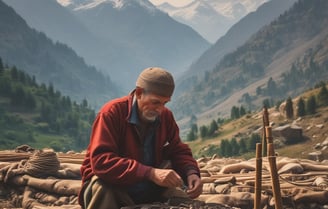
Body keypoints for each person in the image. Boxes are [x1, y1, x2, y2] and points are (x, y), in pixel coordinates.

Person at [79, 67, 203, 209]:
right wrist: (150, 173)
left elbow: (178, 150)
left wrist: (191, 173)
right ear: (139, 93)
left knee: (184, 198)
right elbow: (101, 161)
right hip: (114, 189)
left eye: (165, 103)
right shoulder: (112, 113)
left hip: (148, 189)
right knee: (102, 185)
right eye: (155, 102)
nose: (160, 109)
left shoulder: (165, 117)